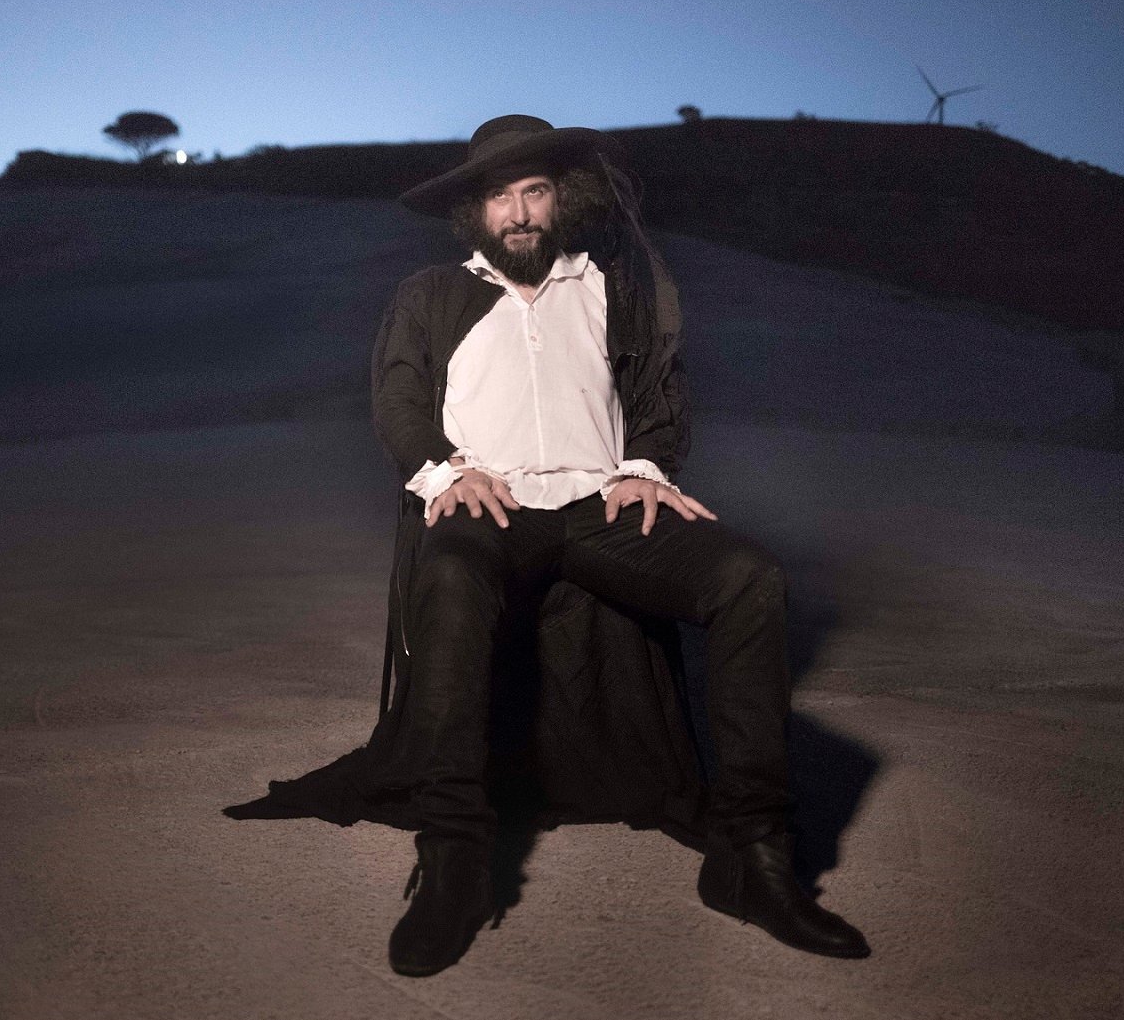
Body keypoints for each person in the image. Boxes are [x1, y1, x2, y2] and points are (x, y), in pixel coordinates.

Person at [227, 114, 868, 976]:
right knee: (450, 575)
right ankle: (453, 855)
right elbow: (399, 402)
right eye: (501, 196)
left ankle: (752, 857)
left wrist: (644, 465)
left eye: (534, 192)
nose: (520, 212)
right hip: (490, 505)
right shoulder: (433, 295)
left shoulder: (612, 288)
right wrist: (443, 471)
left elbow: (655, 397)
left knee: (749, 577)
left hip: (599, 506)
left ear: (563, 200)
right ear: (475, 213)